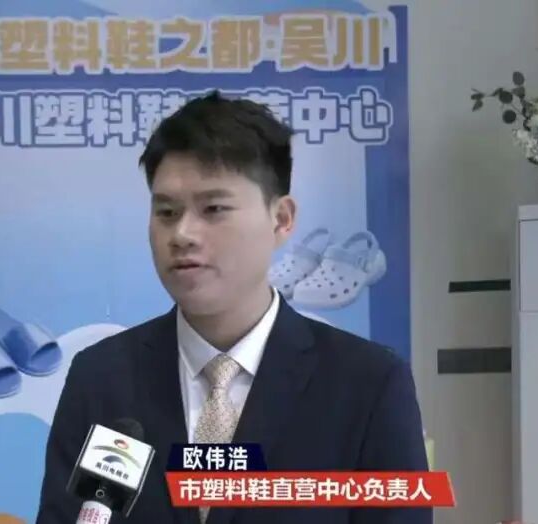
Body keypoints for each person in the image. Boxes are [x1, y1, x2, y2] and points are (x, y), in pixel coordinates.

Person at [35, 91, 430, 524]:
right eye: (167, 212)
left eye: (213, 209)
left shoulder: (367, 384)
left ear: (281, 219)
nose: (182, 234)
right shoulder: (102, 378)